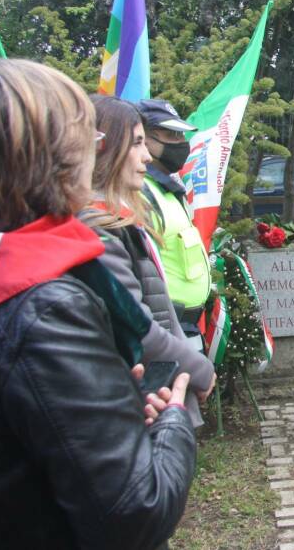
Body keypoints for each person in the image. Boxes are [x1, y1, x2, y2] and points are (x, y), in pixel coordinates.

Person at [0, 60, 195, 548]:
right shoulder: (43, 308)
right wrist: (173, 420)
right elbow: (135, 512)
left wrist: (100, 398)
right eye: (89, 144)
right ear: (49, 160)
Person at [82, 95, 216, 427]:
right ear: (105, 147)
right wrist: (198, 367)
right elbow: (138, 327)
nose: (145, 155)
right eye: (138, 142)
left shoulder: (163, 191)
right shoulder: (101, 227)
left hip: (164, 366)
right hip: (140, 388)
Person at [136, 99, 211, 344]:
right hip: (164, 330)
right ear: (143, 139)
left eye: (181, 135)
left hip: (185, 327)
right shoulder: (141, 193)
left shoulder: (168, 189)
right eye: (170, 135)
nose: (181, 143)